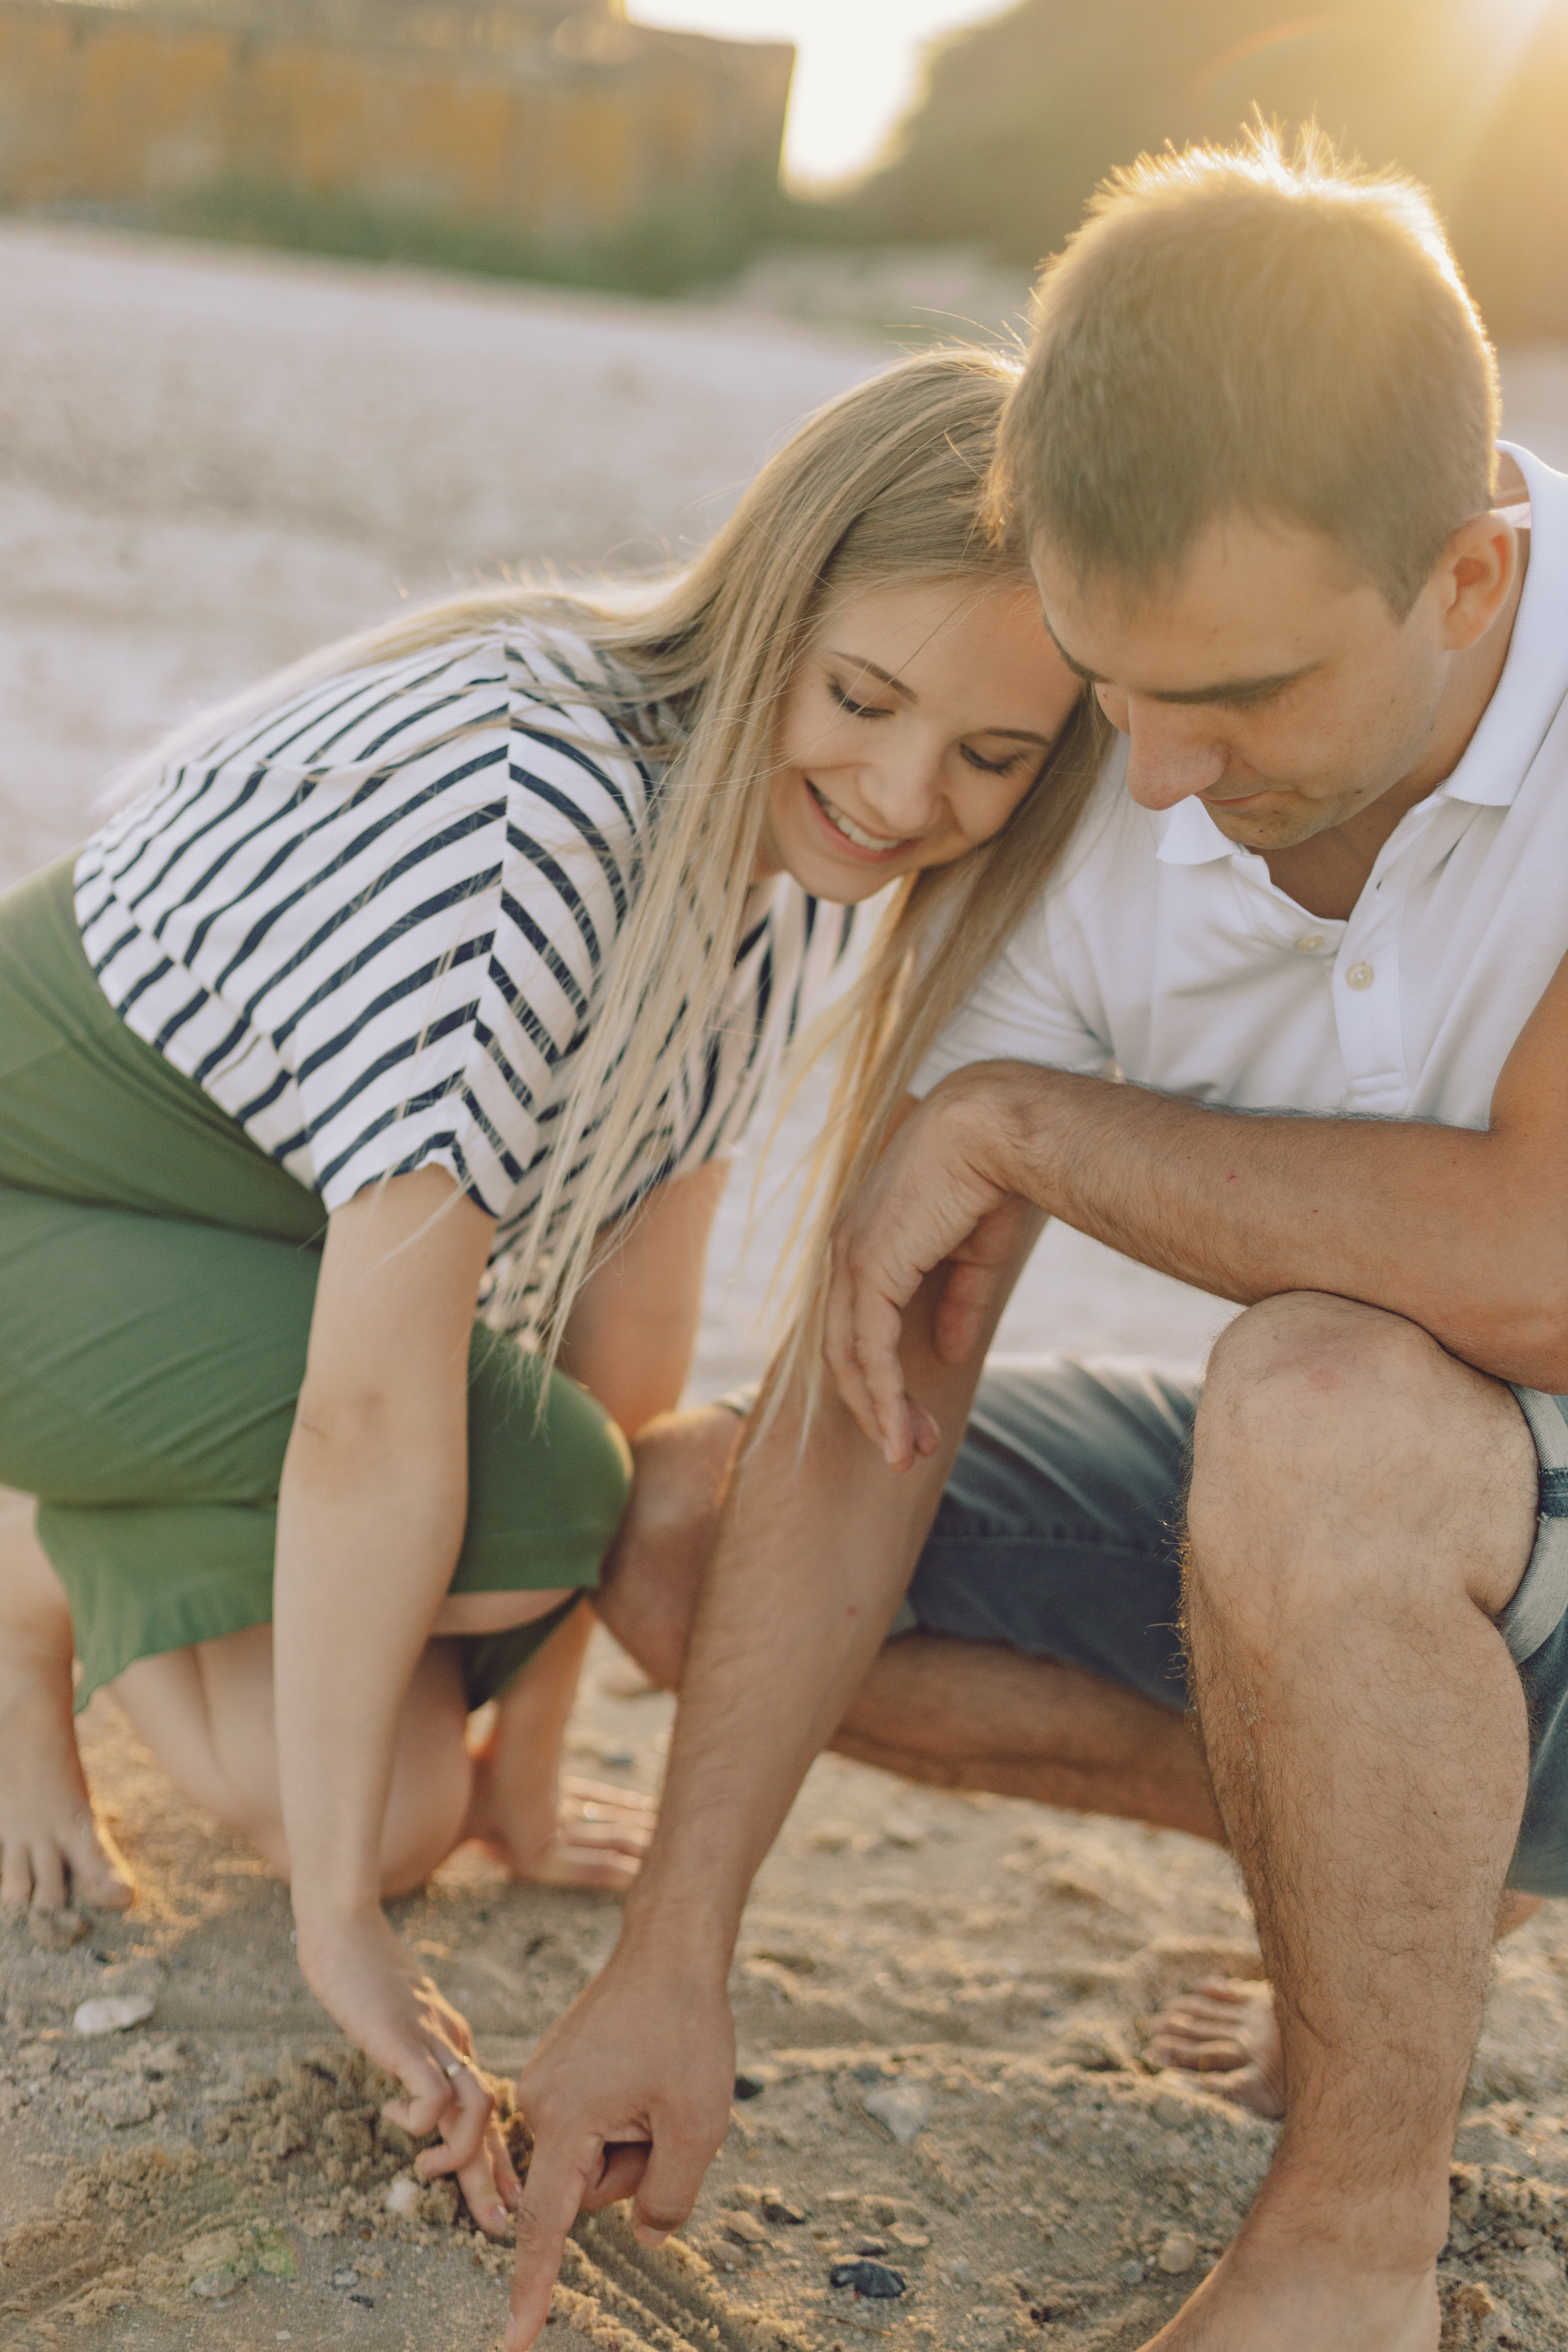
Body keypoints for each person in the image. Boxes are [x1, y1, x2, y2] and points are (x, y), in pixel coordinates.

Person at [503, 134, 1568, 2352]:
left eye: (1242, 698)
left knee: (1326, 1395)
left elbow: (1547, 1259)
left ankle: (1352, 2251)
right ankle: (1397, 1890)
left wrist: (1024, 1125)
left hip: (1446, 1475)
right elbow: (870, 1392)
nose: (1152, 776)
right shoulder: (1112, 763)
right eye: (1111, 674)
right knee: (691, 1526)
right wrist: (672, 1950)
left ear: (1469, 578)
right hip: (1451, 1572)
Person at [0, 349, 1091, 2232]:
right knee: (530, 1517)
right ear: (774, 600)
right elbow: (371, 1417)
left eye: (994, 757)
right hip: (47, 1189)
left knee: (417, 1779)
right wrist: (335, 1929)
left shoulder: (788, 856)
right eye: (866, 697)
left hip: (230, 1273)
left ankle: (65, 1536)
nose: (910, 792)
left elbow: (631, 1313)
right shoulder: (541, 825)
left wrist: (519, 1785)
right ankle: (32, 1578)